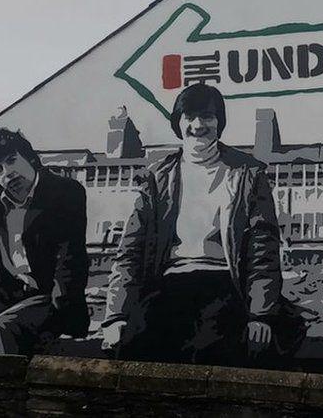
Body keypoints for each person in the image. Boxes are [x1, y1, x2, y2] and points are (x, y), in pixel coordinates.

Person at [101, 83, 304, 365]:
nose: (198, 125)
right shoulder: (156, 178)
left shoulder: (248, 174)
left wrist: (261, 315)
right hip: (169, 283)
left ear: (219, 122)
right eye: (190, 117)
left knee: (213, 347)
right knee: (140, 341)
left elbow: (263, 253)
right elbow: (130, 253)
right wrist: (116, 316)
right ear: (178, 123)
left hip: (226, 283)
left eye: (207, 116)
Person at [0, 129, 89, 355]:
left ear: (28, 157)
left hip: (49, 296)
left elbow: (69, 260)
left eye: (11, 160)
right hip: (9, 292)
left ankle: (1, 390)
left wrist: (64, 317)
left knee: (1, 328)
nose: (8, 173)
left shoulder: (65, 192)